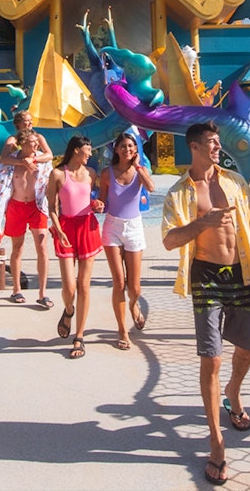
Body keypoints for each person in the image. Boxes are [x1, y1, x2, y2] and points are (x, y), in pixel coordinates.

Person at [162, 121, 250, 486]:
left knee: (246, 348)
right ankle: (216, 441)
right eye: (212, 143)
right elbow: (169, 240)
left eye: (218, 143)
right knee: (211, 358)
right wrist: (203, 223)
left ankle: (233, 392)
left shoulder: (235, 182)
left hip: (240, 273)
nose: (218, 148)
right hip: (206, 276)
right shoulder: (180, 192)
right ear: (194, 147)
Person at [47, 136, 104, 360]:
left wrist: (97, 204)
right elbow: (51, 206)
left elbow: (93, 199)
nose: (90, 154)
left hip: (87, 227)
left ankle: (79, 335)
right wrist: (58, 229)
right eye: (87, 150)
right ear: (76, 150)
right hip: (65, 228)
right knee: (69, 287)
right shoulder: (58, 174)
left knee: (84, 284)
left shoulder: (91, 173)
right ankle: (68, 310)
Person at [98, 132, 154, 350]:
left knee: (135, 287)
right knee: (119, 283)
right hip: (112, 227)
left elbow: (150, 187)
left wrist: (139, 167)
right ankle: (122, 330)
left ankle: (134, 305)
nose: (127, 149)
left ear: (136, 149)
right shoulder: (106, 173)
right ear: (116, 149)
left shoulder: (141, 172)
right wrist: (98, 205)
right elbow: (102, 200)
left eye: (131, 146)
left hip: (134, 227)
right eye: (123, 146)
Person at [0, 129, 54, 307]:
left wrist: (34, 160)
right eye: (31, 143)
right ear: (22, 144)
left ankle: (43, 292)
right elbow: (2, 178)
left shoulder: (41, 160)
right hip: (16, 205)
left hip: (36, 206)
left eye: (36, 142)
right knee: (17, 247)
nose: (35, 145)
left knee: (42, 247)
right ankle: (16, 289)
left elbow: (49, 161)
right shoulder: (11, 161)